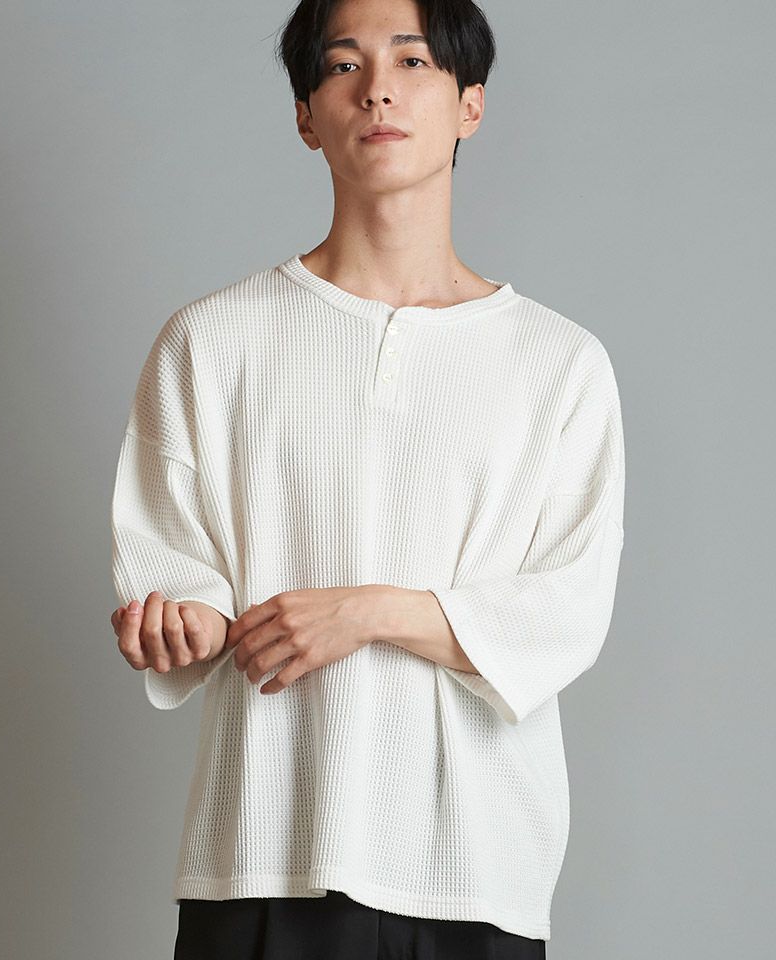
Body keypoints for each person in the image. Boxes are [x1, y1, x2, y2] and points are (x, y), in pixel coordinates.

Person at [109, 0, 626, 957]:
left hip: (475, 867)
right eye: (344, 64)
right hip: (263, 849)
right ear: (306, 116)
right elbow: (174, 571)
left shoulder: (560, 363)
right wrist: (186, 623)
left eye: (414, 61)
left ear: (471, 104)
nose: (378, 89)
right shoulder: (210, 342)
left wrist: (370, 612)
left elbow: (567, 609)